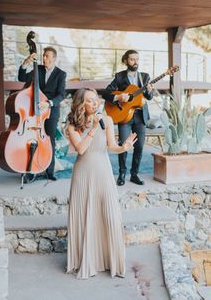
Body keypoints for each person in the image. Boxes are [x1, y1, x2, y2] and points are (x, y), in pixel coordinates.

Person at [66, 88, 137, 279]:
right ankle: (87, 261)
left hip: (103, 171)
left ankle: (111, 261)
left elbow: (111, 147)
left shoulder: (107, 120)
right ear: (81, 104)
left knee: (111, 215)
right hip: (83, 173)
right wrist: (93, 128)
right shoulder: (73, 125)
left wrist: (124, 147)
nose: (95, 103)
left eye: (96, 99)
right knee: (85, 215)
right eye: (90, 100)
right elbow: (81, 149)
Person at [102, 49, 153, 186]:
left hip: (140, 116)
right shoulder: (119, 77)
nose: (135, 62)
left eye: (137, 59)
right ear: (126, 61)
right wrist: (118, 97)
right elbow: (105, 93)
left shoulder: (145, 76)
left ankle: (134, 174)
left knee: (140, 146)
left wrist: (149, 91)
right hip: (124, 115)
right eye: (132, 59)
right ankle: (122, 173)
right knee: (123, 145)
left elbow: (149, 97)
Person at [18, 46, 66, 180]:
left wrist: (49, 103)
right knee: (31, 138)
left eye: (47, 56)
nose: (44, 58)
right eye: (43, 55)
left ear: (54, 59)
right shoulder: (37, 69)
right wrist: (25, 63)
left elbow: (61, 95)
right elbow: (22, 78)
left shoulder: (61, 74)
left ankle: (49, 171)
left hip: (50, 111)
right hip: (35, 110)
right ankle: (30, 168)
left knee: (49, 140)